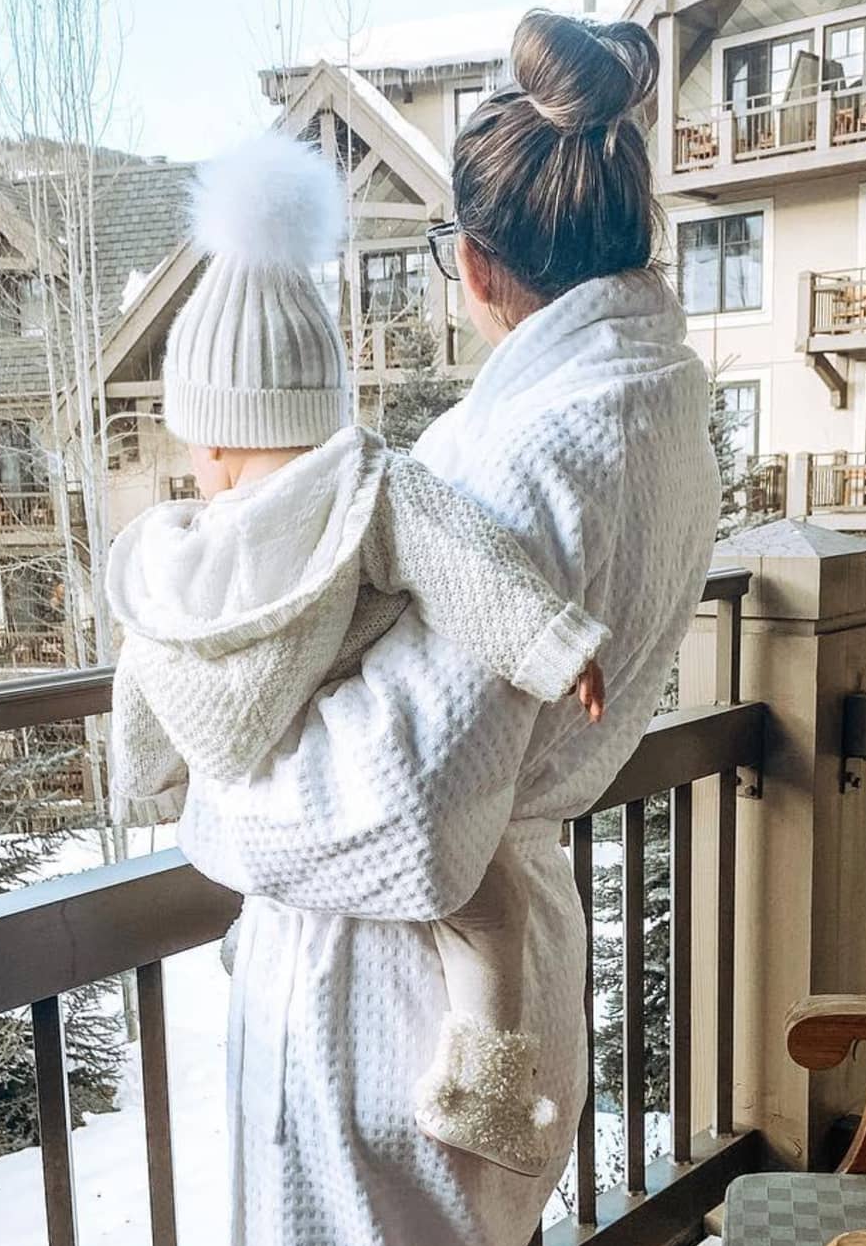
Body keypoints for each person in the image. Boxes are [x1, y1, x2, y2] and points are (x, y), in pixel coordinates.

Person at [172, 10, 720, 1246]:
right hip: (480, 951)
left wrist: (213, 781)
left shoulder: (532, 449)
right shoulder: (648, 402)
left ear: (475, 261)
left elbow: (408, 807)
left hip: (389, 989)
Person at [108, 133, 612, 1176]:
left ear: (205, 442)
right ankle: (489, 1089)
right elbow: (472, 570)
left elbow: (145, 667)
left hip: (235, 757)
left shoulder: (167, 557)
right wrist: (555, 646)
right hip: (324, 730)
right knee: (489, 903)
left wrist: (144, 774)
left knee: (286, 893)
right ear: (324, 404)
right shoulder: (369, 491)